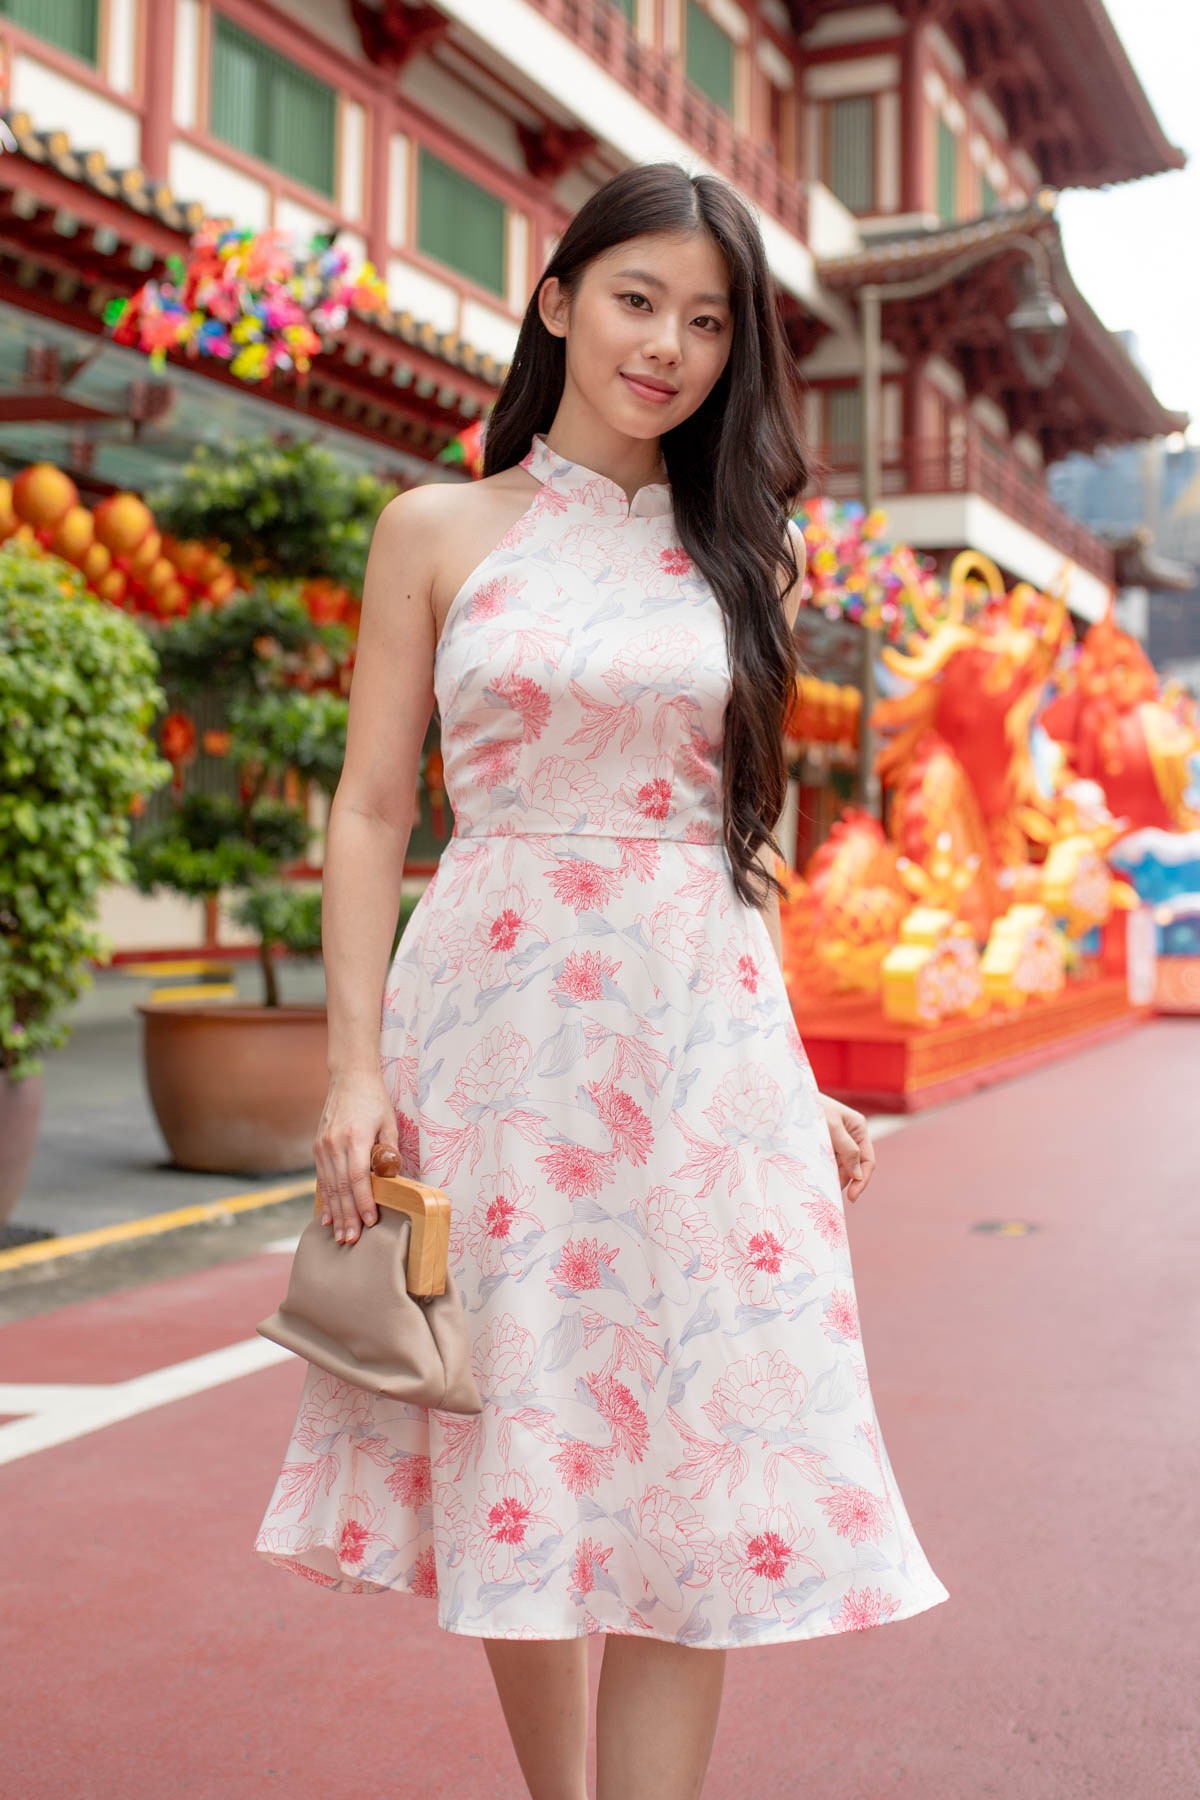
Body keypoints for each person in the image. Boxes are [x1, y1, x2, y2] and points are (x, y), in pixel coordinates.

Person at [254, 161, 949, 1800]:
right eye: (639, 300)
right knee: (532, 1421)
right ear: (559, 300)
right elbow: (368, 808)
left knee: (694, 1445)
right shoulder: (437, 528)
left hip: (696, 1044)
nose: (672, 347)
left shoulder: (738, 557)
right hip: (495, 1028)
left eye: (710, 323)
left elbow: (741, 846)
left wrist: (787, 1076)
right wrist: (353, 1069)